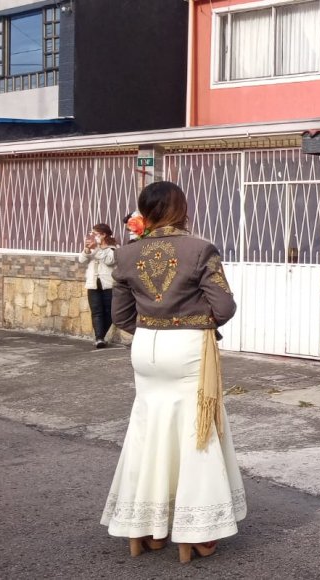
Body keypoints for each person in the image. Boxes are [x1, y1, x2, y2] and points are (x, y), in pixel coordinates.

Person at [101, 181, 246, 563]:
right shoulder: (200, 249)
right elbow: (225, 307)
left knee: (147, 430)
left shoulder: (126, 254)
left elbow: (120, 317)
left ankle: (143, 527)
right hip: (187, 349)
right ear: (181, 209)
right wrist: (194, 320)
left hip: (145, 349)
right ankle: (195, 534)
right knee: (196, 431)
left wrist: (153, 325)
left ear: (144, 213)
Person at [78, 223, 118, 348]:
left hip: (108, 285)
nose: (93, 236)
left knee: (110, 312)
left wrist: (96, 249)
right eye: (92, 233)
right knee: (96, 312)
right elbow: (81, 260)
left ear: (103, 234)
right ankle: (99, 338)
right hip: (93, 285)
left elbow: (110, 261)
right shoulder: (93, 247)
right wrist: (86, 250)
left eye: (95, 234)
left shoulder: (113, 248)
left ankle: (100, 336)